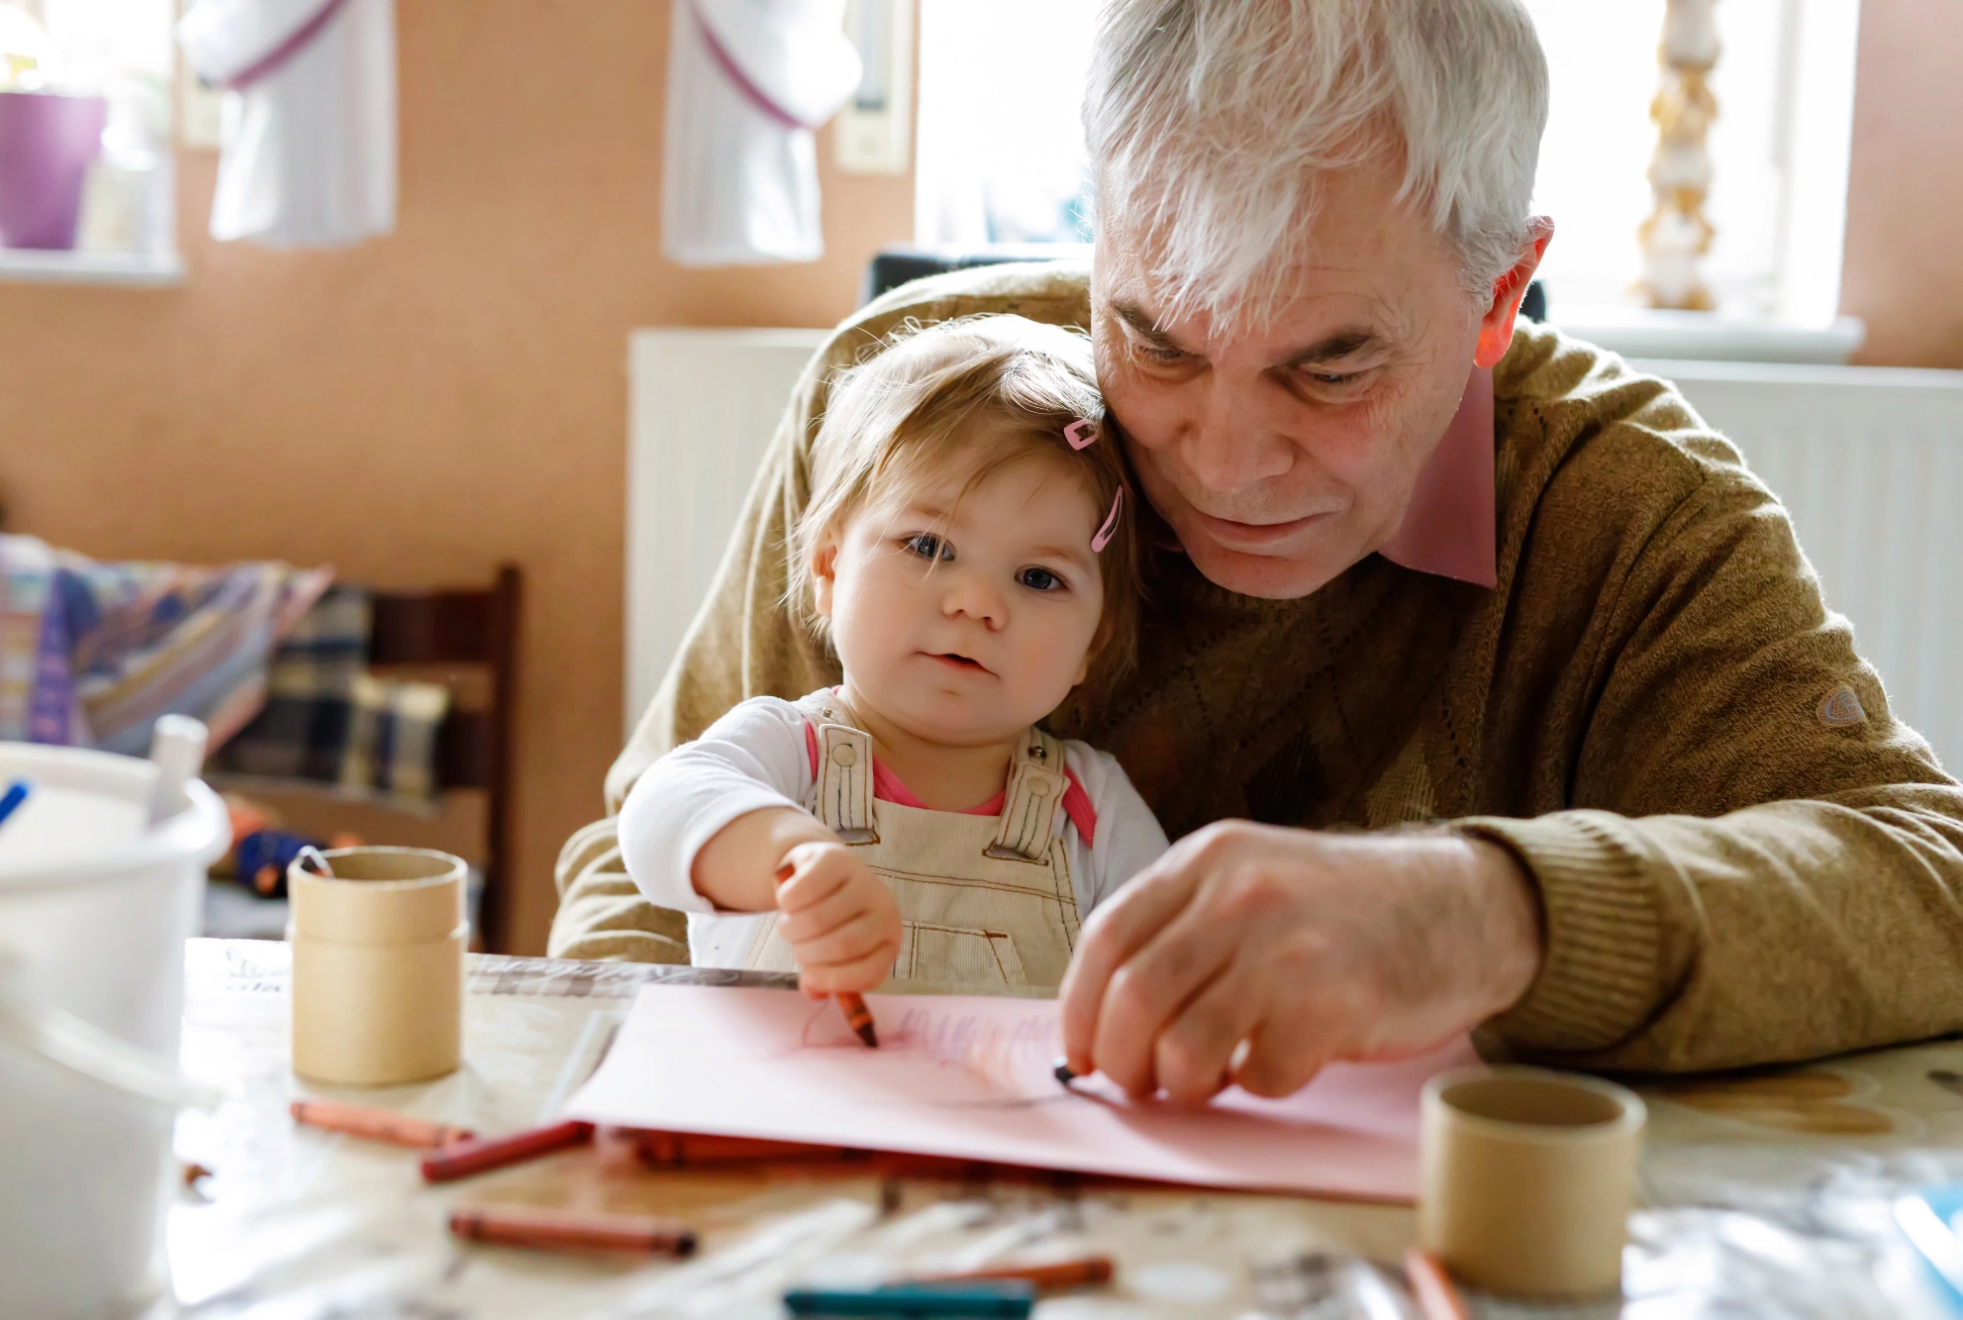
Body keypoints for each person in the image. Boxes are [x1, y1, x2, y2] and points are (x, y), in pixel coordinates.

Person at [555, 0, 1963, 1099]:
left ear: (1498, 298)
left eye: (1331, 371)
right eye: (1154, 340)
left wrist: (1488, 915)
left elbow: (1928, 886)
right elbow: (635, 870)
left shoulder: (1618, 509)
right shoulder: (911, 417)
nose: (1218, 466)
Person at [617, 316, 1169, 996]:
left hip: (999, 1103)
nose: (976, 604)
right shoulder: (791, 750)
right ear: (827, 569)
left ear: (1095, 642)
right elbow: (656, 815)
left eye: (1038, 578)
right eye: (928, 547)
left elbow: (1169, 959)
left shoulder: (1092, 808)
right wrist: (789, 857)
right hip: (774, 1097)